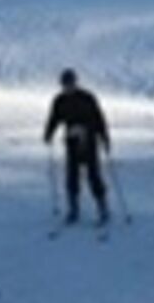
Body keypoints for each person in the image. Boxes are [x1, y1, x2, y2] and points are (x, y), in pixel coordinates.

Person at [43, 69, 112, 224]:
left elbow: (99, 119)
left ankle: (103, 208)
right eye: (65, 85)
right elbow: (54, 118)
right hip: (71, 142)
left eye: (70, 84)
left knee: (93, 175)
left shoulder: (87, 98)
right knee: (71, 176)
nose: (68, 88)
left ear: (75, 82)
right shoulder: (59, 101)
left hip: (89, 141)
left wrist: (105, 138)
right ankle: (73, 210)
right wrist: (48, 133)